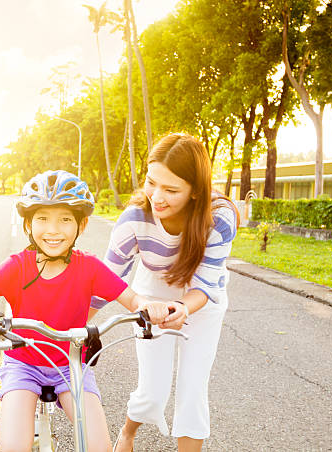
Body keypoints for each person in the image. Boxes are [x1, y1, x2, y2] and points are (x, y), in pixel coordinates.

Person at [0, 170, 170, 452]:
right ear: (28, 223)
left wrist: (148, 306)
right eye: (43, 218)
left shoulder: (90, 267)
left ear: (81, 225)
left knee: (99, 448)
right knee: (10, 447)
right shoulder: (18, 265)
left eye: (65, 219)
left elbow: (132, 299)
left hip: (71, 364)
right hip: (23, 365)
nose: (53, 230)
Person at [91, 134, 239, 452]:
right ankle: (127, 433)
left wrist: (184, 307)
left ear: (196, 192)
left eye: (171, 190)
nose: (157, 197)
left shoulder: (220, 219)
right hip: (153, 288)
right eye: (151, 182)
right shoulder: (134, 219)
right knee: (153, 389)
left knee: (192, 389)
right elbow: (105, 282)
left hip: (204, 297)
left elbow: (203, 286)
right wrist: (73, 329)